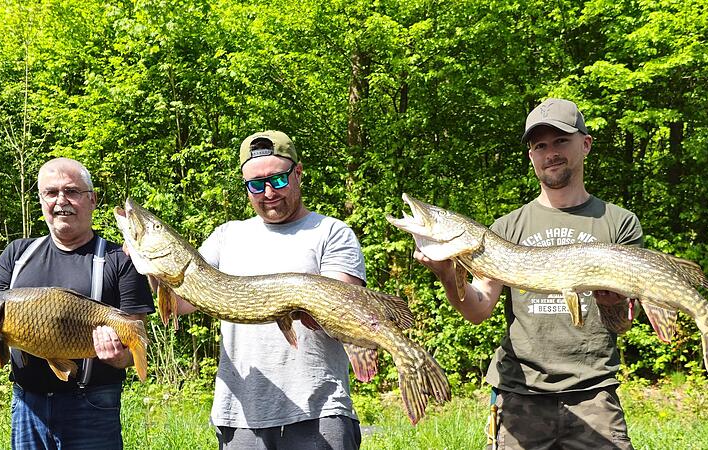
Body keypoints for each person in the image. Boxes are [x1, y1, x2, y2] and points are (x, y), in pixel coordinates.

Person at [415, 99, 641, 449]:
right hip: (520, 393)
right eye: (540, 146)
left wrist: (613, 305)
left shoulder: (619, 222)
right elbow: (478, 310)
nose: (550, 153)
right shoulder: (507, 227)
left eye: (561, 141)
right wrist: (447, 274)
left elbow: (623, 323)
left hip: (594, 392)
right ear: (531, 156)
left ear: (586, 144)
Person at [176, 130, 366, 449]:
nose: (268, 192)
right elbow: (182, 303)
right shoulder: (226, 235)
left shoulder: (332, 232)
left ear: (298, 173)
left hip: (318, 411)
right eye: (255, 185)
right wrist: (150, 268)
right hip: (240, 417)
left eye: (278, 180)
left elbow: (343, 310)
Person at [0, 157, 154, 449]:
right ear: (41, 201)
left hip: (93, 405)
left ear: (92, 200)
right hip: (28, 406)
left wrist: (119, 357)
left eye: (72, 191)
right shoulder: (17, 254)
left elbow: (136, 344)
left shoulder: (120, 260)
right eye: (51, 193)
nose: (61, 201)